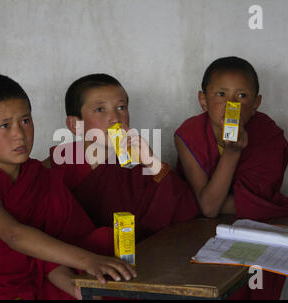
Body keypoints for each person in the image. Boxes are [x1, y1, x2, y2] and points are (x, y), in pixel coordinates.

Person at [0, 74, 136, 300]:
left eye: (25, 121)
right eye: (5, 125)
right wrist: (88, 261)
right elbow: (14, 236)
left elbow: (46, 257)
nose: (19, 134)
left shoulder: (40, 178)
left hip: (37, 285)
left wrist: (75, 287)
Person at [174, 56, 288, 299]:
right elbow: (209, 209)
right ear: (203, 100)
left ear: (256, 104)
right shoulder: (188, 134)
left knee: (257, 277)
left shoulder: (267, 134)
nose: (231, 104)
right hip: (195, 232)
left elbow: (257, 201)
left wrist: (219, 200)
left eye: (241, 96)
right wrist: (232, 154)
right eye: (221, 94)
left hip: (253, 231)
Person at [43, 73, 199, 242]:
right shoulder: (58, 162)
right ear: (75, 125)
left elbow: (186, 210)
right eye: (100, 109)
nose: (115, 119)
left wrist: (152, 163)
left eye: (121, 108)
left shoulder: (137, 163)